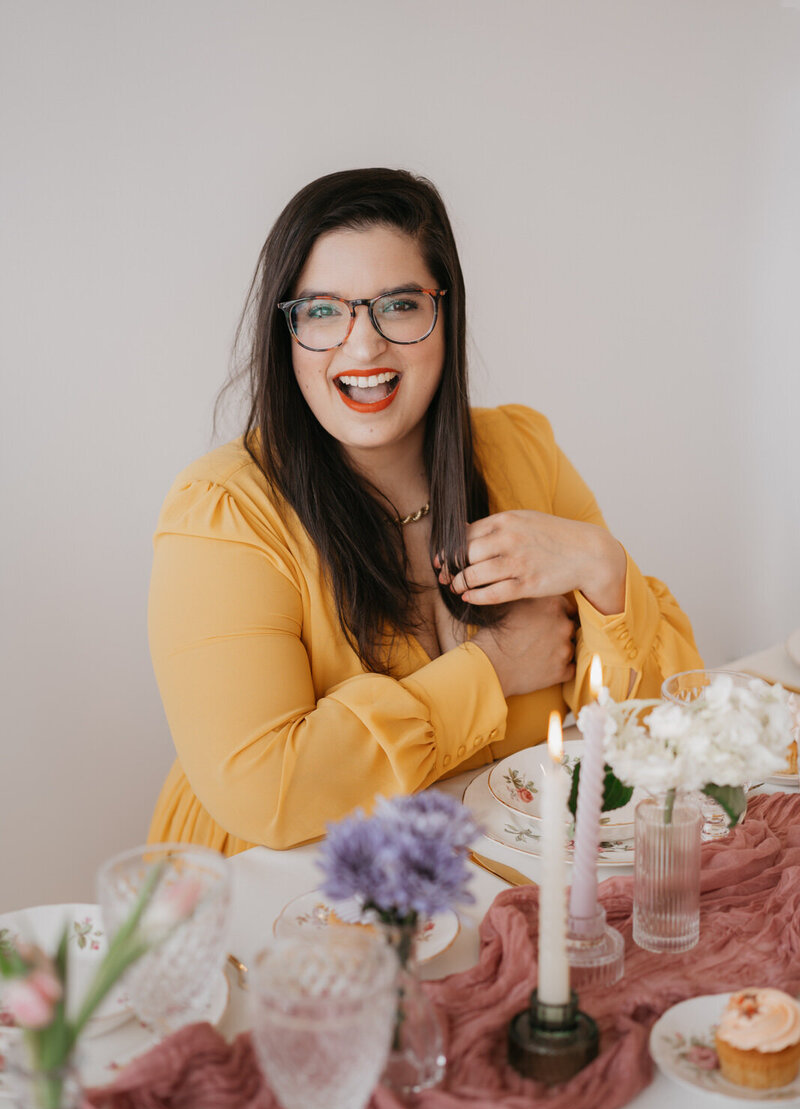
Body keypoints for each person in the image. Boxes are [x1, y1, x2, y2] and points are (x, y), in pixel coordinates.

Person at [147, 167, 701, 855]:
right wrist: (492, 671)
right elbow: (270, 794)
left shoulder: (522, 451)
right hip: (277, 896)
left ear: (446, 315)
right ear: (286, 334)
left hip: (494, 877)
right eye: (322, 311)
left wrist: (603, 567)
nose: (363, 344)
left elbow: (667, 724)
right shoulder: (224, 516)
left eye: (399, 305)